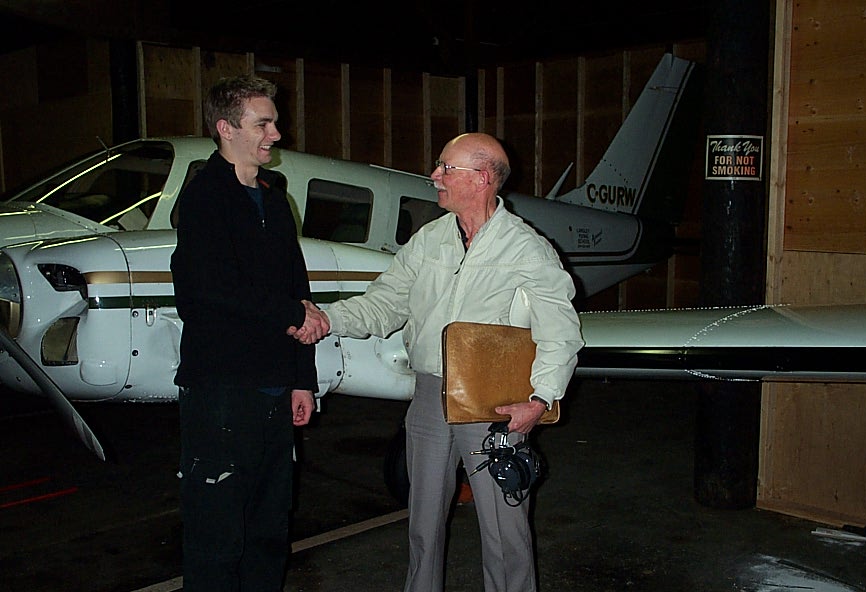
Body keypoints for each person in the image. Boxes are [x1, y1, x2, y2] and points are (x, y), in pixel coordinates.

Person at [295, 132, 583, 592]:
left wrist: (540, 399)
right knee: (423, 523)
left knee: (504, 531)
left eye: (447, 168)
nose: (434, 176)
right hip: (429, 395)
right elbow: (384, 304)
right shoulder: (429, 240)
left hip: (496, 405)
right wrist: (326, 319)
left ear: (482, 179)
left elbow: (561, 333)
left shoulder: (526, 249)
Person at [170, 75, 328, 591]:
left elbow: (297, 289)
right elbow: (209, 288)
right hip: (222, 391)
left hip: (274, 390)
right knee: (217, 535)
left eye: (273, 122)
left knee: (268, 529)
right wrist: (290, 313)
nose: (275, 134)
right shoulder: (202, 199)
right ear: (225, 128)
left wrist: (302, 378)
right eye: (263, 123)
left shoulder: (275, 200)